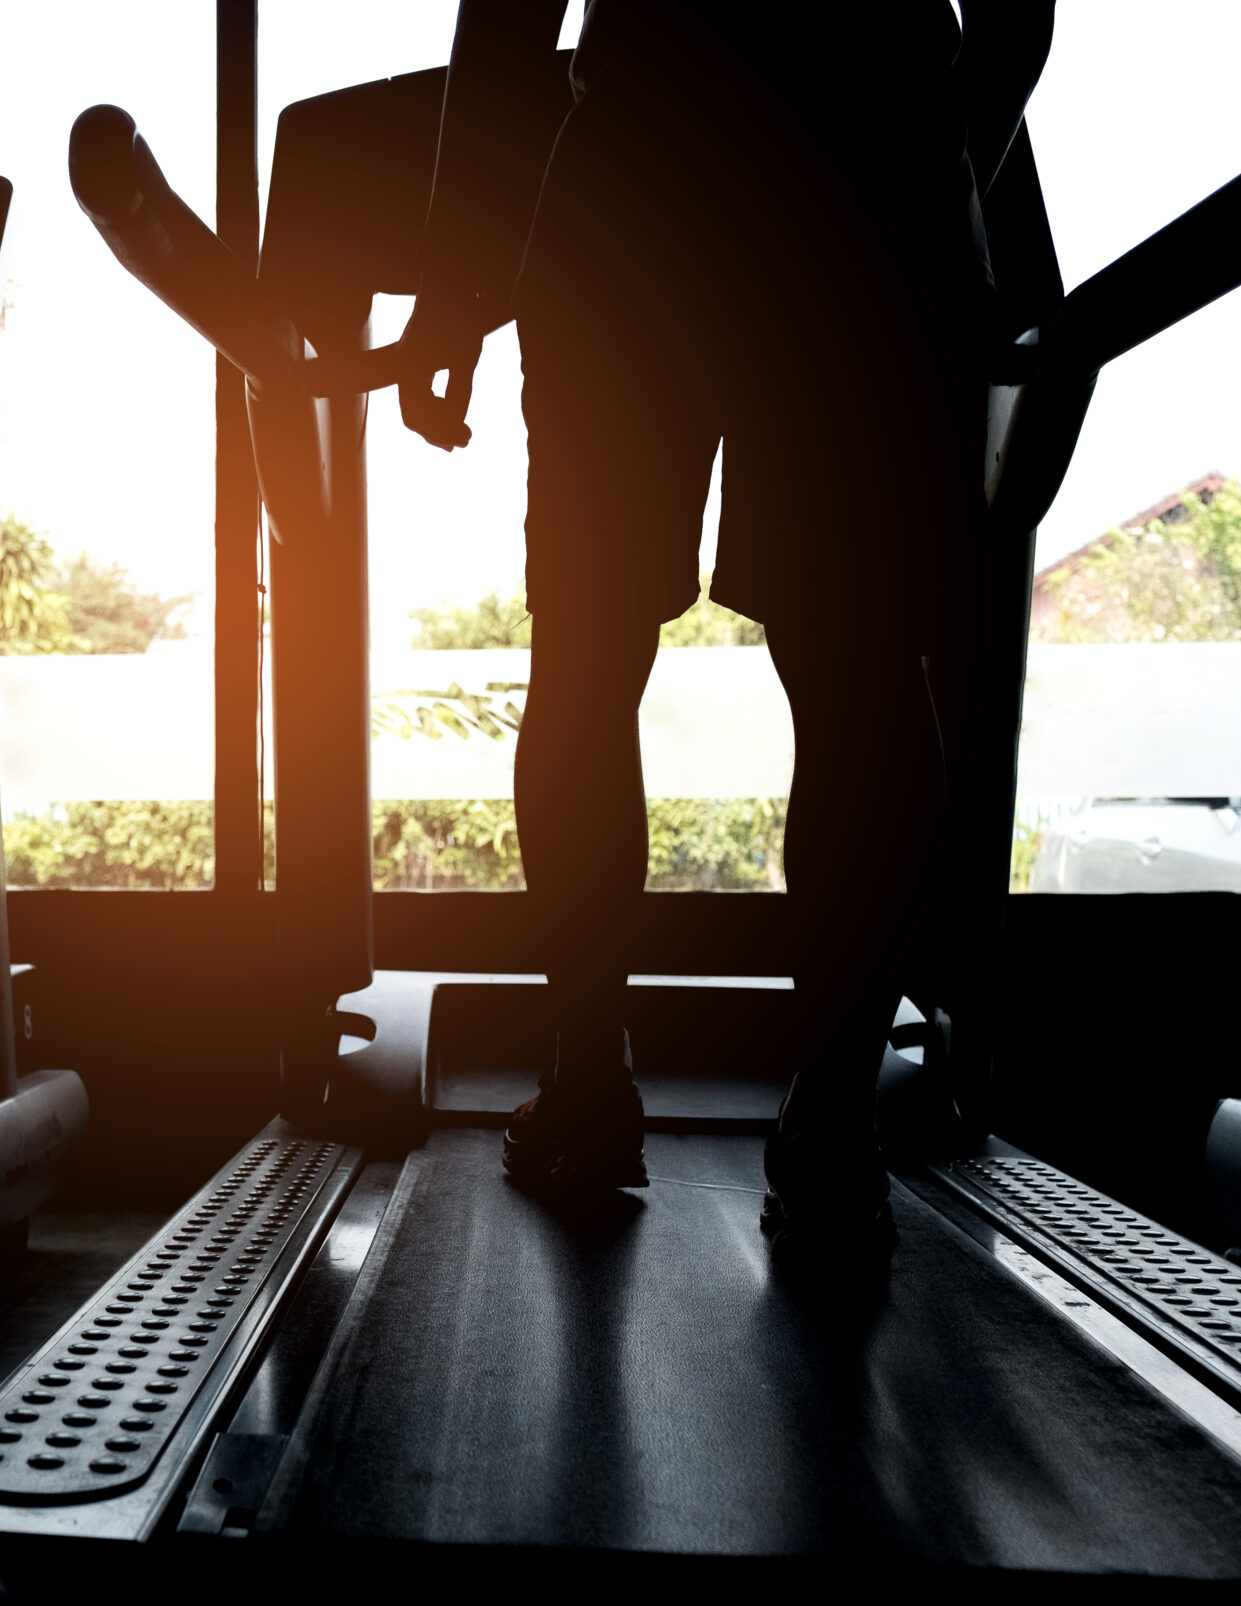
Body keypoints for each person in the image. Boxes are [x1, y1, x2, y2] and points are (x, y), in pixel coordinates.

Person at [395, 1, 1049, 1255]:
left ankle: (589, 1085)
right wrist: (934, 164)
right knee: (858, 667)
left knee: (585, 658)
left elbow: (509, 15)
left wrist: (452, 278)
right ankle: (831, 1122)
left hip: (648, 164)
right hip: (862, 178)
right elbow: (1020, 10)